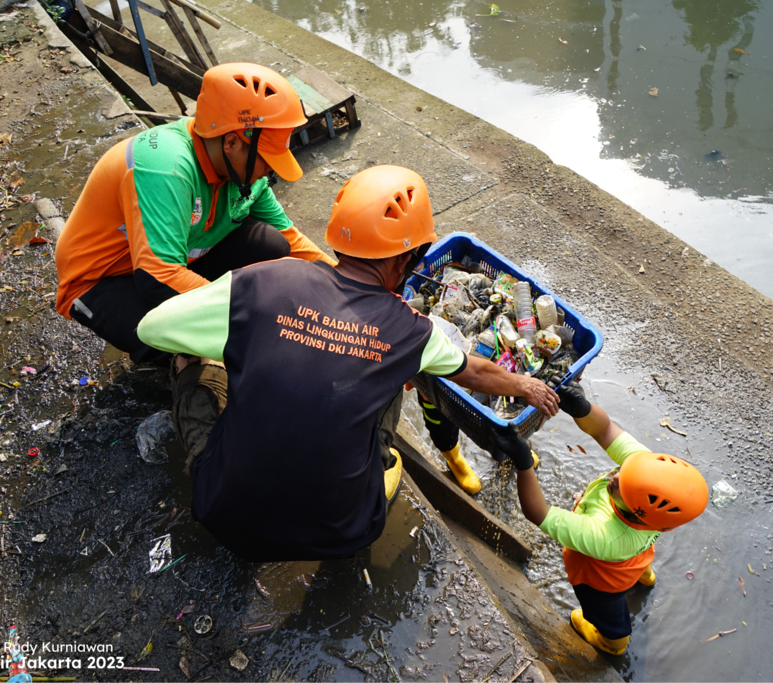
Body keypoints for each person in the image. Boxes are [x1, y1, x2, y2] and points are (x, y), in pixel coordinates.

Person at [135, 164, 560, 561]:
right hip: (343, 533)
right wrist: (526, 386)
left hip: (226, 522)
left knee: (187, 358)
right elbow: (474, 370)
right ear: (404, 259)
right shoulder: (412, 331)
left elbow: (151, 328)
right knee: (397, 375)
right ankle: (381, 468)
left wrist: (249, 346)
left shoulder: (267, 278)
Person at [54, 63, 334, 363]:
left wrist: (346, 285)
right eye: (267, 159)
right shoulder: (166, 167)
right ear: (231, 142)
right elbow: (157, 276)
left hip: (177, 258)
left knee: (271, 244)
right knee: (179, 339)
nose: (270, 171)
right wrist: (250, 316)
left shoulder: (244, 172)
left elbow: (292, 240)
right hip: (105, 278)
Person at [495, 382, 708, 655]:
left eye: (622, 487)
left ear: (639, 514)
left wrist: (524, 464)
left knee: (610, 619)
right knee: (641, 556)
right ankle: (645, 576)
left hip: (603, 582)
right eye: (622, 470)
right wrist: (584, 410)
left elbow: (539, 513)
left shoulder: (608, 537)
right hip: (639, 551)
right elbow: (605, 429)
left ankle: (612, 645)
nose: (615, 477)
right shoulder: (644, 470)